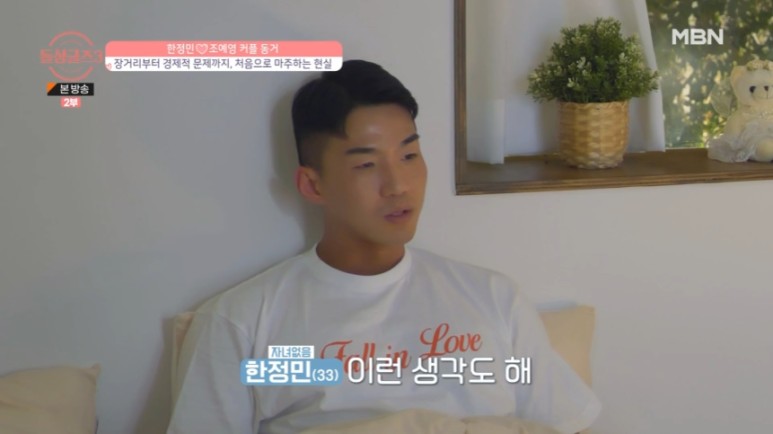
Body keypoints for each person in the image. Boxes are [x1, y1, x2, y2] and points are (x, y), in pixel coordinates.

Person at [167, 59, 601, 434]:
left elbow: (565, 424)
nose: (398, 186)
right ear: (313, 184)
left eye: (409, 156)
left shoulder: (493, 299)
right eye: (367, 164)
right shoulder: (244, 322)